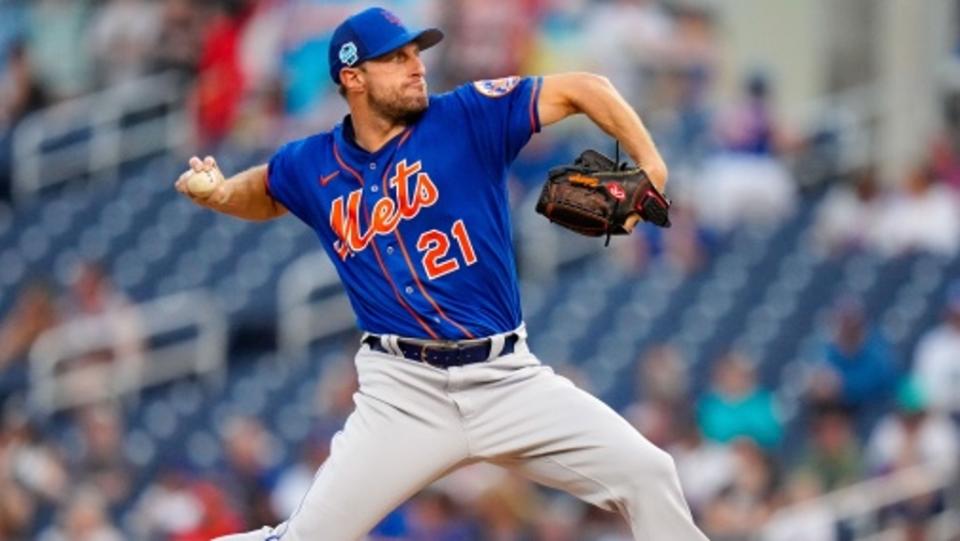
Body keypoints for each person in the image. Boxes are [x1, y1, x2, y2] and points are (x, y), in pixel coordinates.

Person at [175, 7, 706, 540]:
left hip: (506, 379)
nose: (416, 66)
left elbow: (585, 88)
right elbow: (266, 191)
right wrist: (222, 193)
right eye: (396, 58)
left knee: (648, 473)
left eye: (416, 54)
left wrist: (651, 166)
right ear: (353, 78)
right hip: (403, 393)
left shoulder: (467, 116)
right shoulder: (311, 163)